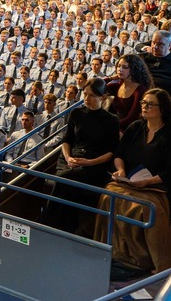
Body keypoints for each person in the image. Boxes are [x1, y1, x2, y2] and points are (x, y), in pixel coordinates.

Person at [93, 88, 171, 275]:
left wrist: (148, 182)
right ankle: (115, 251)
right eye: (143, 103)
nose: (144, 106)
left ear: (162, 109)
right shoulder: (136, 127)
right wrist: (120, 169)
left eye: (150, 104)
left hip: (157, 185)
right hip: (129, 180)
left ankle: (147, 259)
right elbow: (119, 154)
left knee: (144, 208)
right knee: (108, 197)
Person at [44, 78, 120, 234]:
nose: (87, 99)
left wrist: (89, 162)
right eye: (85, 94)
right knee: (66, 179)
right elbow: (67, 141)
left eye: (92, 95)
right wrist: (67, 158)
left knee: (64, 180)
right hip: (71, 158)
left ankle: (49, 224)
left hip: (94, 163)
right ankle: (67, 227)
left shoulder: (111, 120)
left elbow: (111, 152)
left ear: (102, 97)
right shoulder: (76, 112)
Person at [105, 54, 153, 132]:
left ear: (134, 69)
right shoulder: (117, 85)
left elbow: (131, 118)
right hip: (115, 124)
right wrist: (110, 78)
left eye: (125, 67)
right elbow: (95, 86)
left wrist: (110, 126)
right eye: (119, 66)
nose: (120, 70)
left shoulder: (140, 90)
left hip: (130, 129)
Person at [142, 31, 171, 101]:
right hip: (144, 96)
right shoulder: (145, 58)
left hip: (167, 100)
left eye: (160, 44)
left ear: (169, 45)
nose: (155, 47)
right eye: (153, 43)